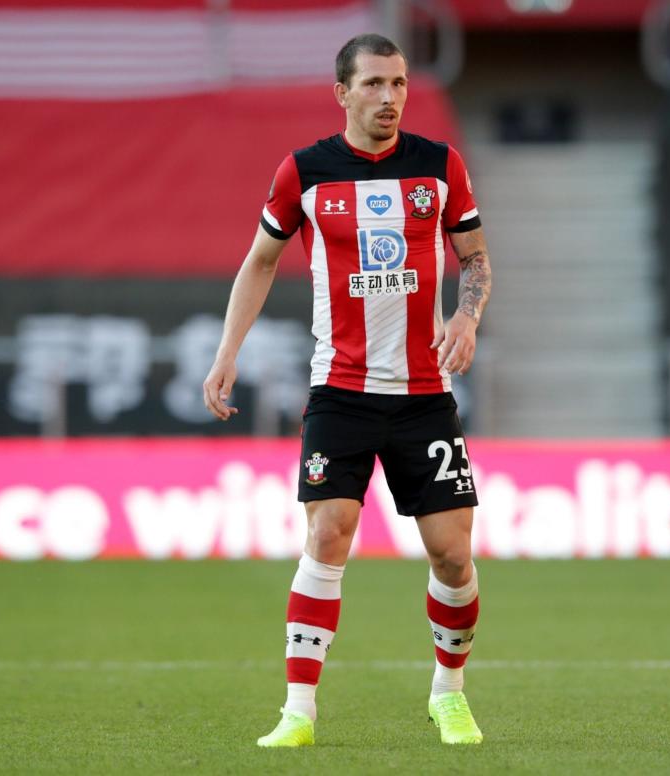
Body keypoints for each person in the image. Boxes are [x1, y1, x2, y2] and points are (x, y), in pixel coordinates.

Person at [202, 32, 493, 748]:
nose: (388, 97)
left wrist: (467, 312)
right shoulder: (304, 173)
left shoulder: (437, 166)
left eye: (396, 83)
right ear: (342, 93)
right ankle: (297, 711)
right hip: (340, 390)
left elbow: (475, 255)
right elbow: (261, 262)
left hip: (424, 393)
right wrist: (225, 353)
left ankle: (448, 692)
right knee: (328, 531)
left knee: (452, 555)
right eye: (372, 85)